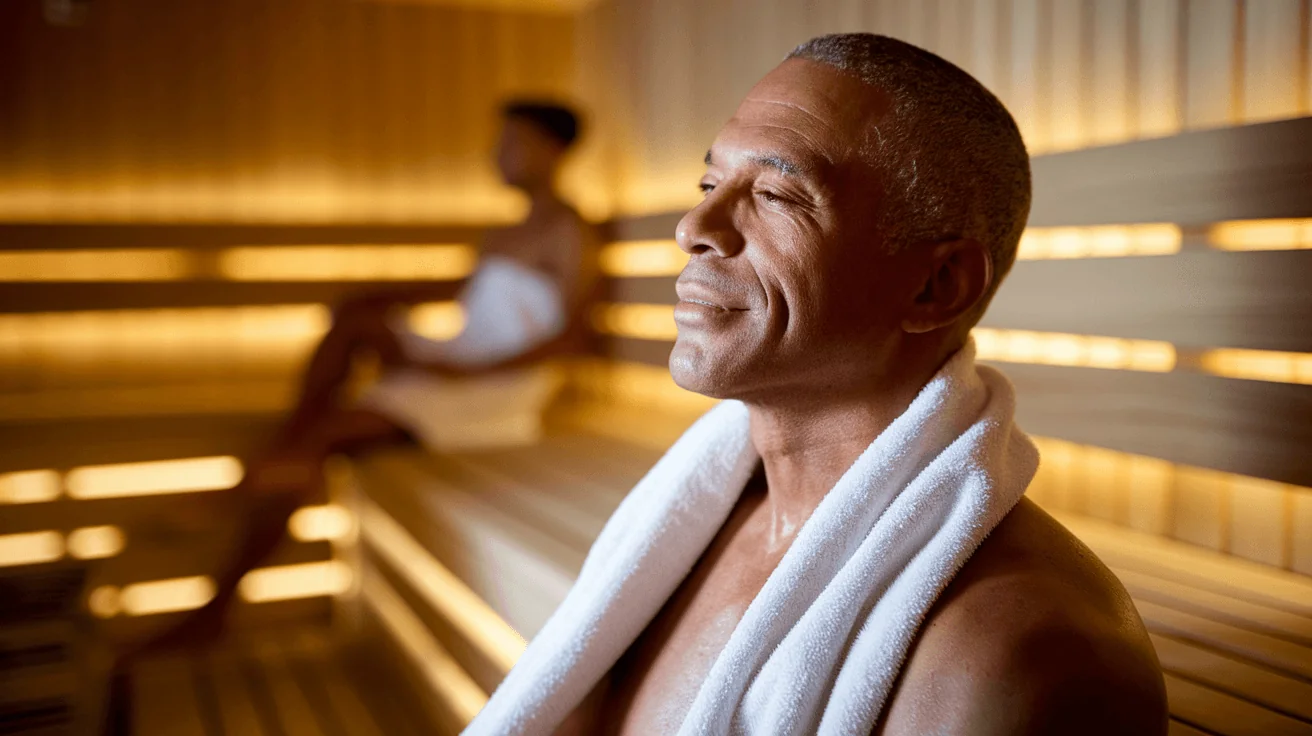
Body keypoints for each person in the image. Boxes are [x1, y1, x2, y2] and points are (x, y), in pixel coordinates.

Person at [466, 35, 1166, 736]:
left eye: (774, 193)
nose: (694, 227)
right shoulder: (690, 525)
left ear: (935, 285)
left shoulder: (1017, 662)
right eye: (711, 185)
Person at [125, 100, 599, 657]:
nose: (498, 155)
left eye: (513, 143)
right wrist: (376, 298)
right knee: (353, 320)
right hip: (457, 362)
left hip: (495, 387)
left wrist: (462, 369)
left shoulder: (570, 230)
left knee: (319, 440)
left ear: (554, 149)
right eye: (499, 143)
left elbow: (571, 336)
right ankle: (276, 463)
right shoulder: (503, 232)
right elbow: (463, 294)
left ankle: (228, 569)